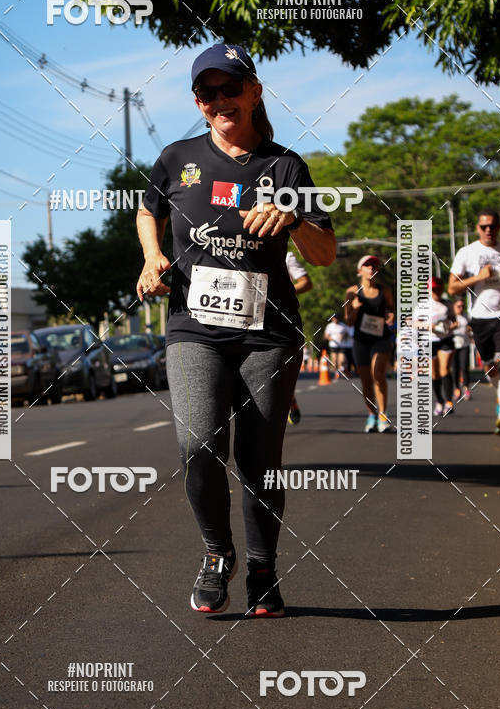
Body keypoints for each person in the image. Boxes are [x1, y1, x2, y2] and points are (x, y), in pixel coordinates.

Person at [136, 42, 336, 616]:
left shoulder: (286, 166)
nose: (219, 99)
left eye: (230, 88)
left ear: (254, 92)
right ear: (197, 101)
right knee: (197, 443)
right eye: (208, 91)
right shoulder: (176, 157)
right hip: (193, 328)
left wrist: (293, 219)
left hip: (268, 334)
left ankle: (263, 569)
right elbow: (149, 210)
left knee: (259, 460)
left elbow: (324, 253)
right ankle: (216, 552)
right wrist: (151, 257)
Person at [449, 209, 500, 434]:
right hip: (480, 317)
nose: (488, 230)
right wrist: (478, 277)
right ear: (478, 228)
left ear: (499, 227)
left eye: (492, 226)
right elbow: (452, 287)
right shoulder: (467, 252)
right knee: (490, 366)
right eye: (484, 226)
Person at [344, 254, 395, 433]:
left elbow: (391, 310)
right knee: (366, 381)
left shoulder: (384, 290)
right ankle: (372, 414)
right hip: (361, 341)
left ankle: (383, 415)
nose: (371, 268)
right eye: (367, 265)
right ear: (360, 270)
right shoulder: (352, 292)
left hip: (381, 338)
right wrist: (356, 309)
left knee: (378, 373)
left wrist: (390, 315)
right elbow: (348, 321)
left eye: (374, 265)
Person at [285, 249, 312, 425]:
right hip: (247, 318)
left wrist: (282, 292)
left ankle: (289, 399)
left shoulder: (287, 256)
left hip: (280, 319)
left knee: (281, 370)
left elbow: (306, 283)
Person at [429, 277, 457, 416]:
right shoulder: (423, 305)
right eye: (434, 289)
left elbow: (454, 321)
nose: (436, 291)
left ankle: (449, 402)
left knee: (445, 369)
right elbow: (413, 322)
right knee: (435, 373)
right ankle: (439, 401)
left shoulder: (448, 304)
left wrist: (451, 327)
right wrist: (428, 326)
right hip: (431, 340)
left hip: (446, 339)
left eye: (438, 289)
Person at [451, 297, 473, 401]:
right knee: (455, 368)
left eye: (462, 306)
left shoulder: (466, 316)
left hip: (465, 344)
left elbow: (470, 329)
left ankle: (466, 388)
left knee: (464, 367)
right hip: (453, 345)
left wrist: (470, 331)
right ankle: (456, 389)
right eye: (458, 306)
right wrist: (453, 327)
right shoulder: (451, 316)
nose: (461, 308)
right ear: (454, 306)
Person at [323, 315, 349, 380]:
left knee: (341, 360)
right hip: (333, 345)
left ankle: (341, 371)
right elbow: (325, 335)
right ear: (332, 319)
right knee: (334, 360)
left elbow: (347, 334)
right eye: (334, 318)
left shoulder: (343, 325)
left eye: (337, 318)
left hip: (342, 345)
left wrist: (343, 336)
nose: (336, 319)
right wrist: (330, 338)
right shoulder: (329, 326)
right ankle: (336, 372)